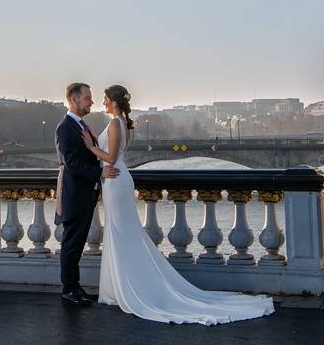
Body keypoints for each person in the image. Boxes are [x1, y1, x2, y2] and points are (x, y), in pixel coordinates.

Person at [80, 84, 275, 325]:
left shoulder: (114, 123)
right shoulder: (123, 124)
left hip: (115, 179)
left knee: (120, 233)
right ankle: (118, 288)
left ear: (115, 102)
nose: (103, 103)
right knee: (123, 233)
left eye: (106, 99)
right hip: (117, 178)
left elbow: (110, 157)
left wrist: (90, 147)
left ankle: (121, 289)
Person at [55, 82, 119, 306]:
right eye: (87, 98)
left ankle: (75, 288)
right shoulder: (65, 127)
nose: (91, 101)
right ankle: (69, 289)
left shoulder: (81, 126)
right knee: (72, 244)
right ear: (74, 100)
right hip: (74, 195)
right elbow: (71, 162)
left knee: (78, 242)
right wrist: (100, 172)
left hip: (84, 194)